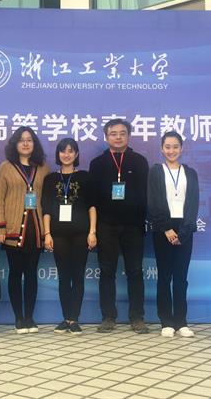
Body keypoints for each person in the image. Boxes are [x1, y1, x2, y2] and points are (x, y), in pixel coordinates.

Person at [89, 118, 149, 333]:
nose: (118, 137)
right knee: (107, 272)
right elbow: (93, 198)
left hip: (133, 226)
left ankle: (137, 317)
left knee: (135, 272)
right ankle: (108, 317)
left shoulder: (139, 161)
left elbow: (145, 195)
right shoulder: (97, 163)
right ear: (106, 137)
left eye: (122, 133)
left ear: (129, 136)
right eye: (113, 133)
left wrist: (141, 222)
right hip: (106, 225)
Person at [0, 126, 50, 334]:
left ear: (35, 144)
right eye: (21, 140)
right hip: (13, 229)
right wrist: (0, 228)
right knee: (15, 273)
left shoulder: (43, 168)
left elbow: (47, 200)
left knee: (31, 274)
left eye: (29, 140)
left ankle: (30, 317)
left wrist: (47, 232)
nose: (26, 143)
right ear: (15, 144)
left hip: (36, 229)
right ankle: (18, 318)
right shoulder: (5, 167)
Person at [42, 138, 97, 335]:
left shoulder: (85, 177)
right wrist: (47, 234)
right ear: (58, 154)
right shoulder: (50, 179)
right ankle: (66, 318)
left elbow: (91, 206)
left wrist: (92, 232)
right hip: (58, 235)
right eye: (63, 151)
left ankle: (75, 319)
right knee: (64, 277)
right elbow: (46, 209)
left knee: (78, 276)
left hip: (81, 234)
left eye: (71, 151)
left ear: (76, 154)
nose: (67, 155)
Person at [147, 131, 199, 338]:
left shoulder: (190, 173)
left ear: (181, 148)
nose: (171, 150)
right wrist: (167, 228)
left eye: (175, 146)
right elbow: (153, 202)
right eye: (167, 147)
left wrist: (183, 232)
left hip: (184, 229)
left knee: (181, 278)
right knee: (164, 277)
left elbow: (193, 203)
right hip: (163, 229)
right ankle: (166, 322)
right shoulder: (156, 172)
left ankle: (181, 322)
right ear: (162, 149)